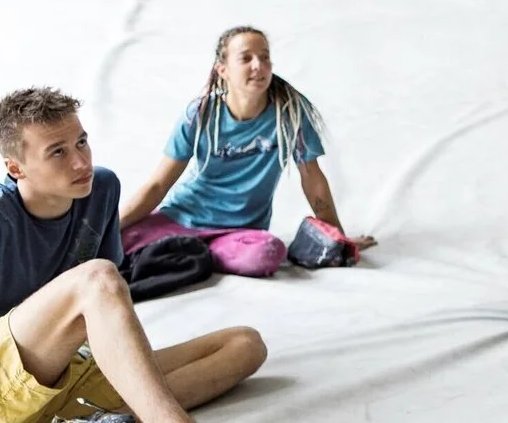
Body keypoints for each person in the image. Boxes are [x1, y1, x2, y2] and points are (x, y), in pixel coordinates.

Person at [0, 88, 266, 423]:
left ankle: (97, 417)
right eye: (58, 152)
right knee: (96, 277)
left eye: (81, 142)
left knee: (245, 344)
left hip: (56, 369)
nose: (80, 161)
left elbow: (96, 316)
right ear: (16, 168)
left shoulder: (101, 190)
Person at [117, 27, 375, 278]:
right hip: (182, 219)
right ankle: (191, 252)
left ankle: (188, 254)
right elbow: (158, 184)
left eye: (265, 57)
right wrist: (109, 228)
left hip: (239, 232)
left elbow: (313, 179)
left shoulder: (291, 115)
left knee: (267, 254)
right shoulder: (199, 115)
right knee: (119, 242)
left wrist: (337, 237)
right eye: (246, 58)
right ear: (223, 70)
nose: (258, 65)